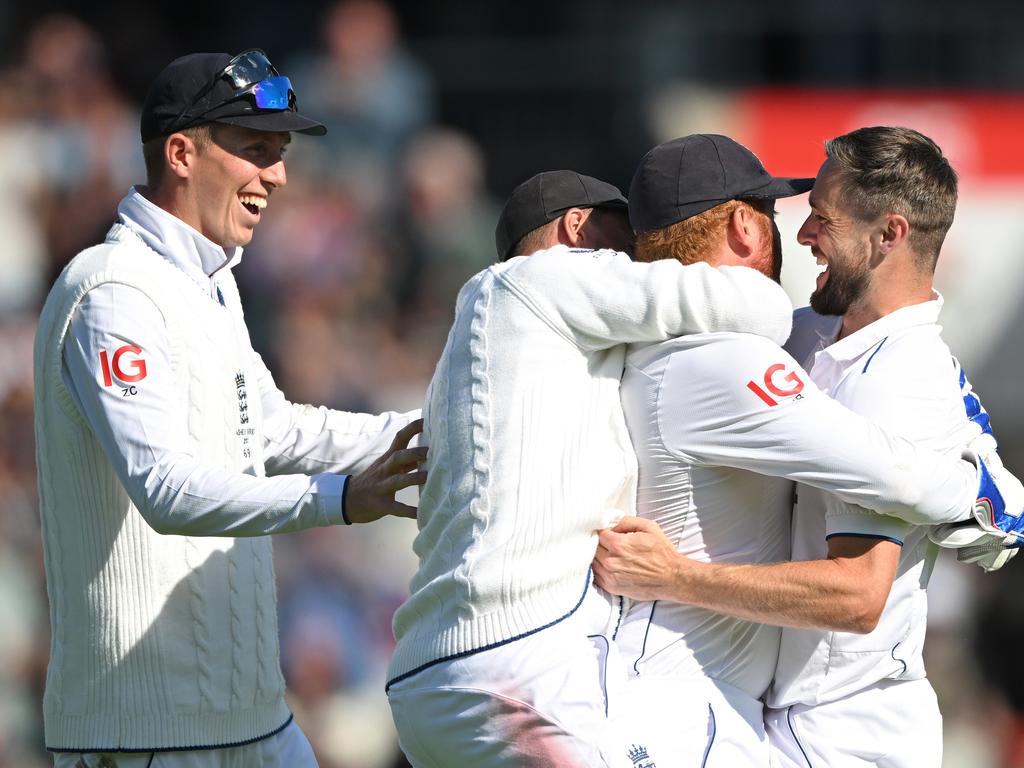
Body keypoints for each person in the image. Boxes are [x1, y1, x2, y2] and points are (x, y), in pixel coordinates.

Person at [33, 50, 425, 767]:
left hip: (255, 723)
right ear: (181, 153)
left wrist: (439, 433)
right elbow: (167, 491)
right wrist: (339, 499)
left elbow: (271, 430)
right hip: (143, 739)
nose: (277, 175)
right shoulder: (112, 291)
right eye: (255, 150)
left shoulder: (210, 283)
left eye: (279, 153)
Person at [593, 129, 1023, 767]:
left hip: (849, 734)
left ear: (889, 234)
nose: (801, 236)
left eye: (823, 218)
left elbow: (855, 597)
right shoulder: (812, 334)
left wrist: (674, 577)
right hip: (787, 719)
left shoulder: (897, 380)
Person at [385, 169, 800, 768]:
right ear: (577, 229)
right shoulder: (544, 276)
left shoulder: (486, 352)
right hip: (520, 664)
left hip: (426, 681)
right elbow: (754, 304)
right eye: (625, 242)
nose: (638, 257)